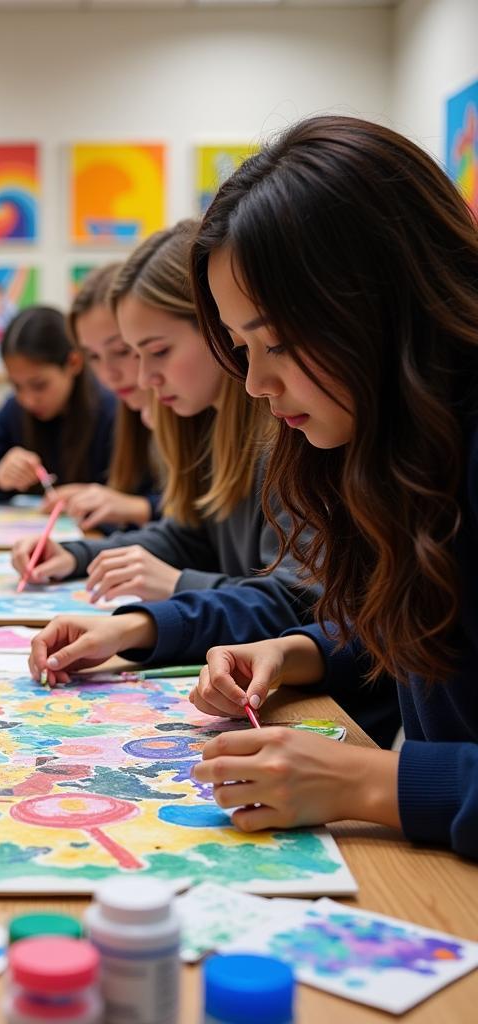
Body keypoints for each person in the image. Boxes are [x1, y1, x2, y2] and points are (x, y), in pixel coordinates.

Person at [183, 115, 478, 859]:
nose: (255, 383)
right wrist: (300, 650)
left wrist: (370, 784)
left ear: (381, 302)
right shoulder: (401, 441)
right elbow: (434, 628)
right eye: (242, 348)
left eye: (276, 341)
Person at [22, 219, 399, 746]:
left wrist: (169, 598)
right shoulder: (231, 427)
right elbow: (190, 533)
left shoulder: (296, 433)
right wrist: (92, 566)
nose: (137, 378)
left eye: (152, 351)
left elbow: (302, 602)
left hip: (332, 718)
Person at [0, 305, 116, 501]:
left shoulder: (110, 411)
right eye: (16, 386)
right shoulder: (15, 410)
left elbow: (149, 502)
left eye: (39, 385)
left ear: (74, 363)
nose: (28, 400)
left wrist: (98, 500)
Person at [52, 262, 159, 531]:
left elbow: (198, 530)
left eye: (123, 351)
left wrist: (139, 508)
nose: (108, 375)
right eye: (95, 357)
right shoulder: (130, 412)